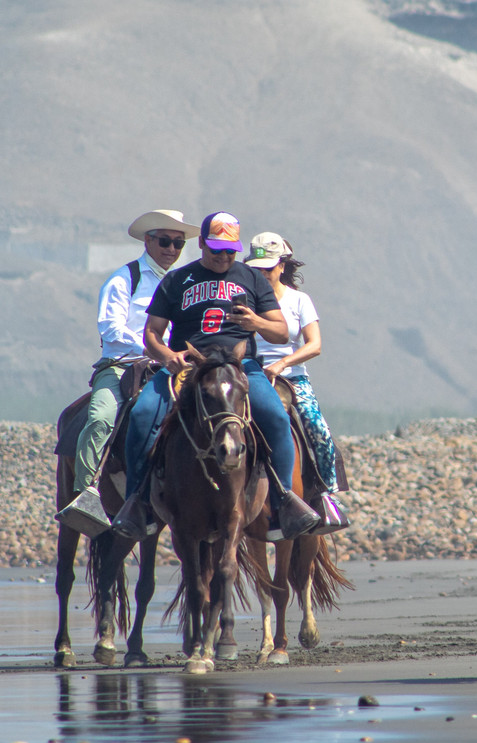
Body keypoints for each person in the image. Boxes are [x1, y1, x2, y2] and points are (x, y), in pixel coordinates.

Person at [112, 211, 321, 542]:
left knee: (277, 419)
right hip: (188, 367)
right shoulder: (178, 280)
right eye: (216, 250)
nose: (224, 257)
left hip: (240, 366)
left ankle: (283, 503)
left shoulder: (251, 279)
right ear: (202, 245)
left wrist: (256, 323)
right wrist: (168, 357)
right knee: (140, 415)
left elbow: (281, 332)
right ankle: (137, 504)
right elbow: (152, 333)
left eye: (230, 251)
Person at [55, 210, 200, 532]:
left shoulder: (185, 283)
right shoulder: (125, 278)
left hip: (176, 368)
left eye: (178, 243)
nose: (171, 249)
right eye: (165, 241)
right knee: (100, 417)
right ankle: (86, 493)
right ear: (148, 241)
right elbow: (110, 328)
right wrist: (154, 349)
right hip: (123, 365)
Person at [245, 232, 349, 533]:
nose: (262, 273)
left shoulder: (298, 300)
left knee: (317, 428)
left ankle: (326, 496)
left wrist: (282, 363)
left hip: (290, 379)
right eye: (257, 268)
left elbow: (314, 345)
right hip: (248, 374)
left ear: (281, 266)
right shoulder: (243, 300)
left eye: (268, 267)